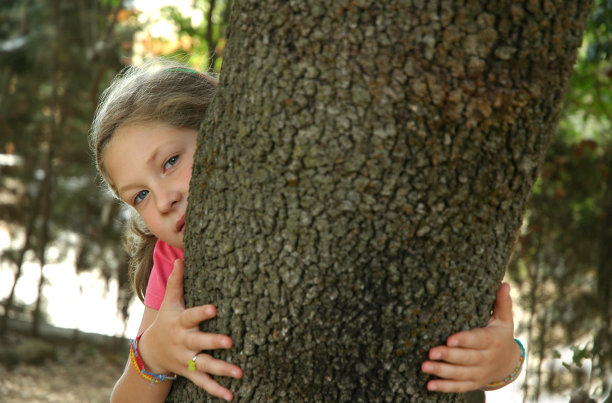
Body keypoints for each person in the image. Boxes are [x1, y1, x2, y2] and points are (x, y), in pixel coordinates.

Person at [90, 59, 525, 402]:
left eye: (170, 162)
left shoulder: (311, 201)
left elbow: (482, 350)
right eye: (140, 196)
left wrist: (504, 361)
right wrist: (153, 355)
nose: (163, 198)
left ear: (223, 129)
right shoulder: (172, 263)